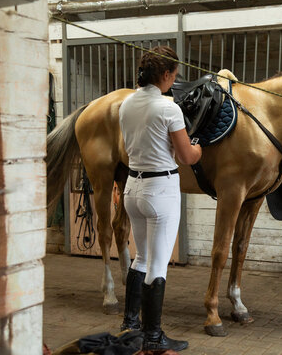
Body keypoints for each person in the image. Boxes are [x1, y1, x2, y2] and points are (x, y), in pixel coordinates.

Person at [118, 46, 202, 352]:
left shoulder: (126, 104)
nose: (175, 79)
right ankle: (153, 337)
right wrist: (197, 147)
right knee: (157, 265)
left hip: (133, 188)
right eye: (174, 74)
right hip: (160, 191)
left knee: (140, 257)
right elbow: (186, 156)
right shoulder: (168, 108)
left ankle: (130, 326)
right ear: (165, 75)